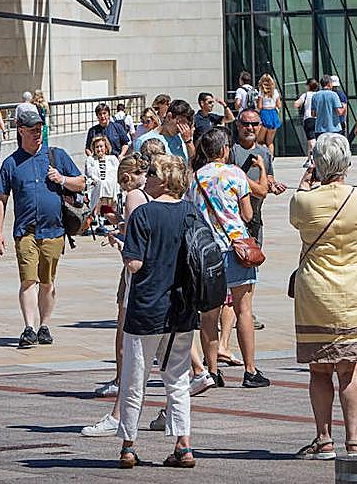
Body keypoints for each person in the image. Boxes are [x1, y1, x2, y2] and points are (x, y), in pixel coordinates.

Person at [289, 133, 357, 460]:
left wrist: (305, 182)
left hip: (316, 294)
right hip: (355, 292)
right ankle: (354, 440)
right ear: (348, 163)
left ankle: (324, 439)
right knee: (350, 368)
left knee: (319, 370)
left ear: (317, 165)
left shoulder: (305, 201)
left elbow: (296, 216)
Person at [115, 153, 200, 470]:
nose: (144, 177)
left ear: (164, 179)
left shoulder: (143, 215)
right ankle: (184, 445)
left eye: (150, 172)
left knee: (134, 378)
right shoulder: (191, 213)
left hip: (147, 308)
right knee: (178, 379)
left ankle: (128, 445)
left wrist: (123, 245)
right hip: (181, 309)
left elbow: (134, 263)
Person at [0, 109, 85, 347]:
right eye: (32, 130)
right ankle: (29, 328)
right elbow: (1, 199)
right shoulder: (11, 163)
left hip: (53, 230)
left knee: (47, 282)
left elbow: (81, 182)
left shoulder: (56, 156)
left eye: (40, 129)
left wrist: (62, 179)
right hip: (26, 231)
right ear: (20, 131)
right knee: (28, 280)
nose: (37, 133)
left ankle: (44, 325)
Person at [191, 126, 269, 388]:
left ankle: (211, 371)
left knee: (209, 315)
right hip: (236, 248)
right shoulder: (235, 174)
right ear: (225, 150)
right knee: (243, 309)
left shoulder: (196, 178)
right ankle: (250, 370)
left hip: (207, 251)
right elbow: (247, 215)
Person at [227, 107, 285, 339]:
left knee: (251, 266)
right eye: (246, 124)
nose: (250, 128)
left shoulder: (264, 152)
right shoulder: (231, 151)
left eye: (254, 124)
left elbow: (267, 177)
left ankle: (247, 311)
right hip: (233, 220)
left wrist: (272, 185)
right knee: (230, 268)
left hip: (255, 221)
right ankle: (230, 311)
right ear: (238, 126)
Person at [134, 99, 196, 163]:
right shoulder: (144, 140)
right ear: (169, 117)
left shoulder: (183, 138)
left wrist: (189, 142)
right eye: (180, 122)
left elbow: (191, 161)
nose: (181, 128)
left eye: (185, 124)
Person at [85, 136, 121, 222]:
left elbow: (117, 173)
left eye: (101, 146)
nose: (99, 149)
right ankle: (97, 214)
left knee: (108, 184)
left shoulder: (112, 159)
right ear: (93, 148)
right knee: (100, 184)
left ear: (106, 147)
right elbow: (89, 174)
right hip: (96, 186)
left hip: (111, 186)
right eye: (97, 147)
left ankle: (108, 214)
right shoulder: (90, 160)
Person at [255, 73, 283, 156]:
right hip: (273, 114)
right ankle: (271, 157)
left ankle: (263, 157)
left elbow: (259, 106)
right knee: (270, 142)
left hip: (264, 114)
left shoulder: (261, 92)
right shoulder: (275, 92)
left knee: (260, 141)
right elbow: (279, 105)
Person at [295, 78, 321, 163]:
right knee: (312, 140)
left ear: (309, 86)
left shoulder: (306, 95)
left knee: (311, 140)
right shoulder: (319, 94)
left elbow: (297, 104)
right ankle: (309, 158)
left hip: (309, 118)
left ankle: (314, 157)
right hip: (319, 119)